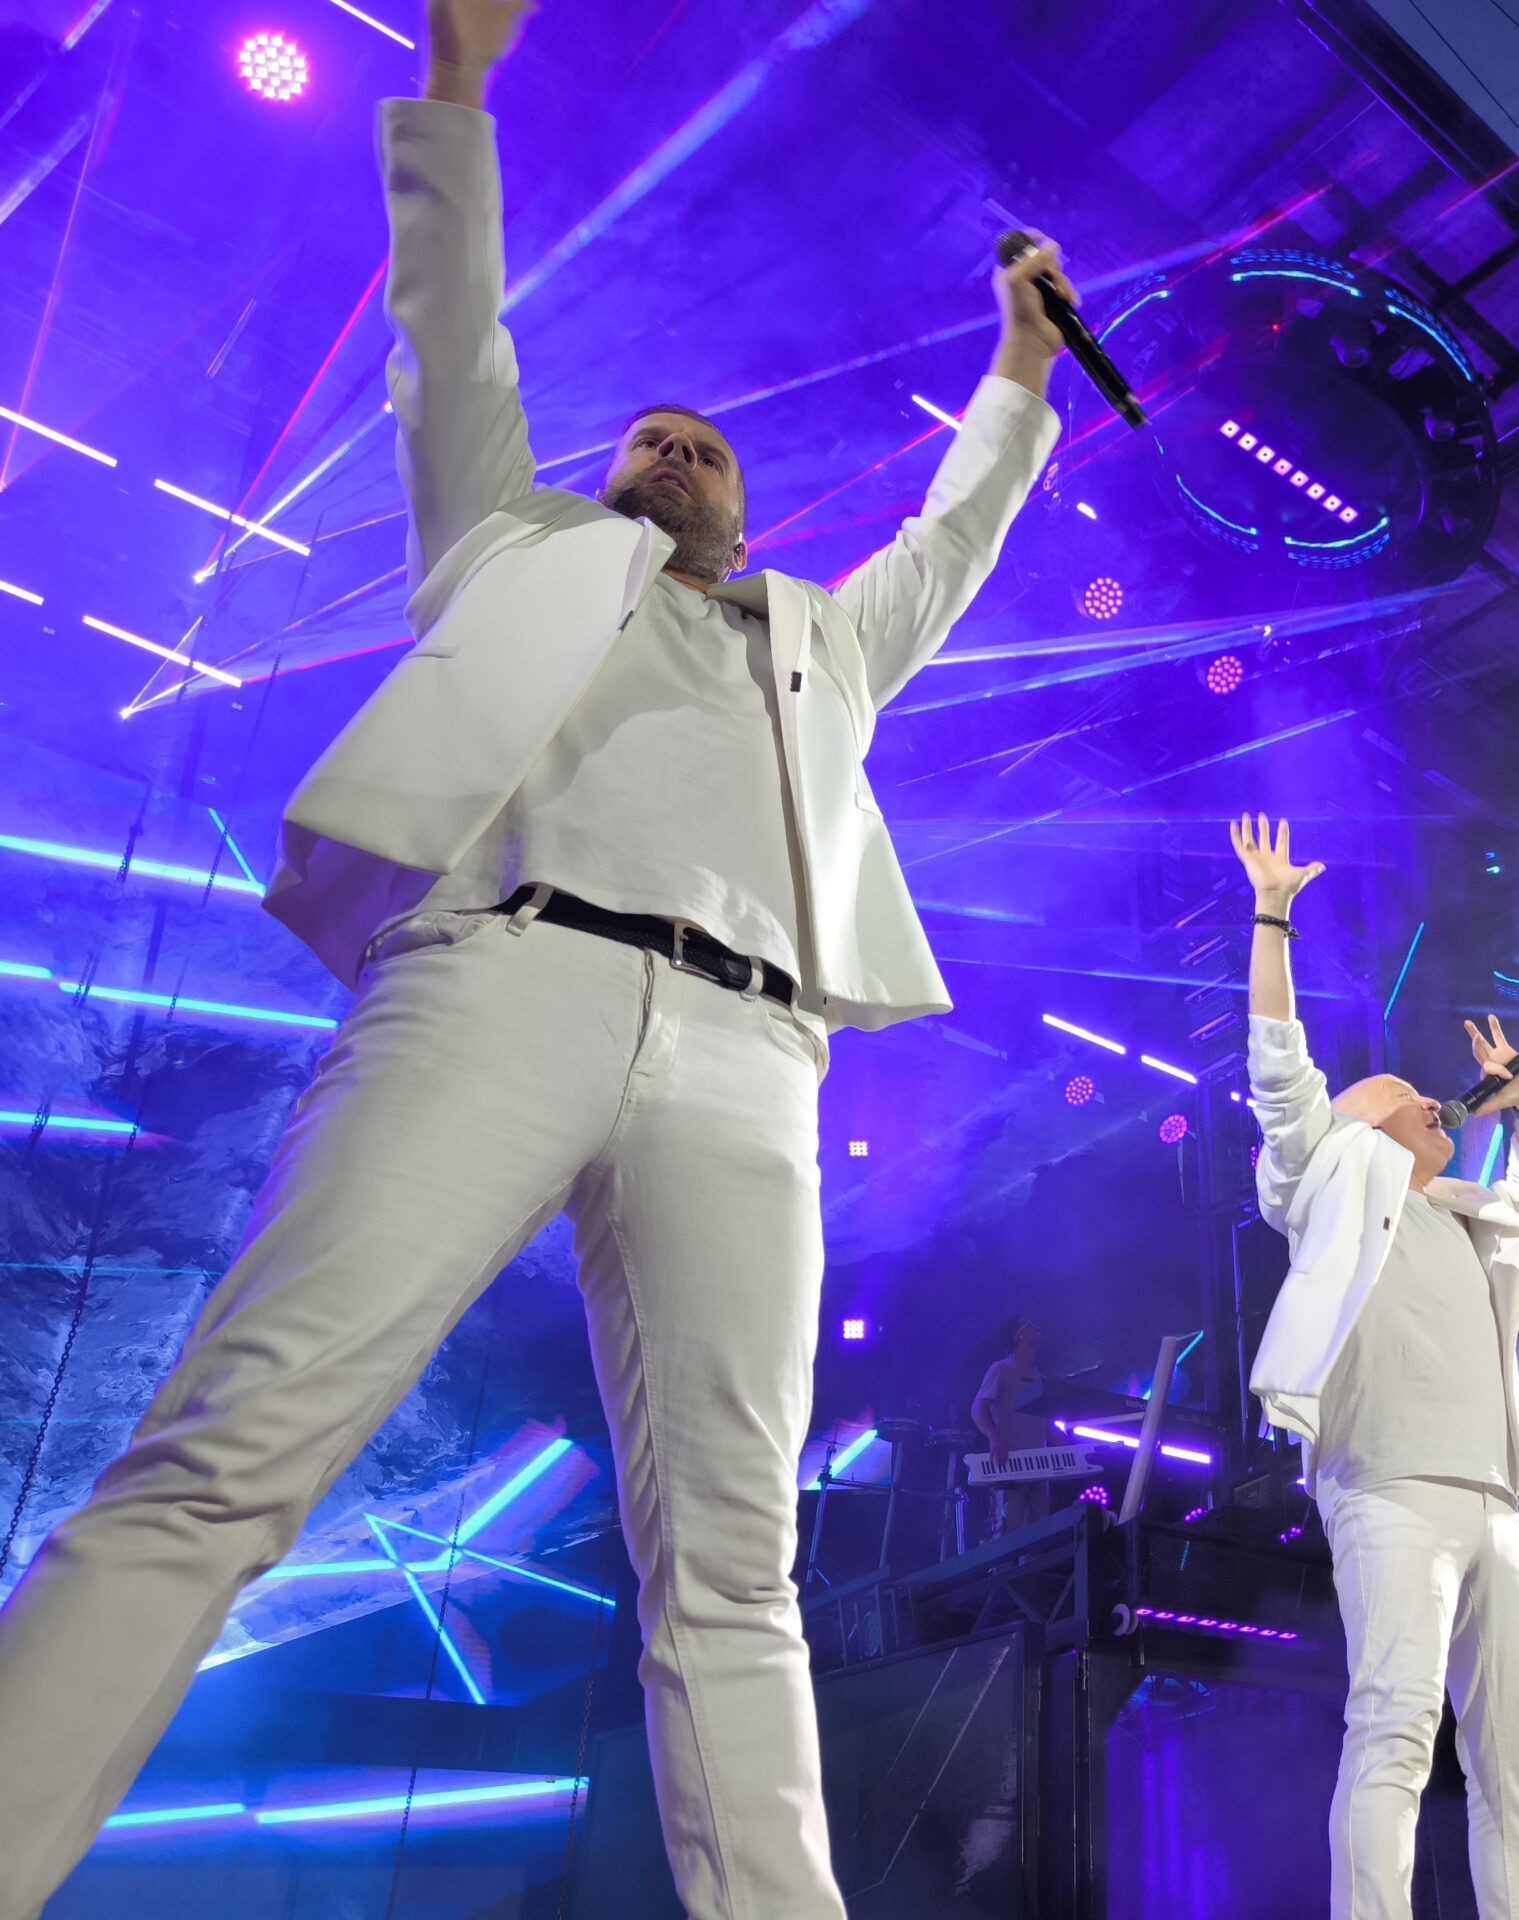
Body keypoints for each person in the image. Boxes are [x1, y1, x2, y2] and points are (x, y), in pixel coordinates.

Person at [0, 0, 1068, 1911]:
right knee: (230, 1452)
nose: (666, 450)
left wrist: (1015, 367)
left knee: (738, 1578)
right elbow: (448, 340)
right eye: (643, 439)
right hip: (499, 979)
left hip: (753, 1061)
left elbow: (959, 532)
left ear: (741, 508)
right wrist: (457, 81)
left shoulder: (826, 644)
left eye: (700, 447)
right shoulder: (505, 548)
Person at [1230, 814, 1519, 1920]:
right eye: (1404, 1093)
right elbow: (1281, 1070)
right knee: (1394, 1727)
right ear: (1352, 1119)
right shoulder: (1322, 1174)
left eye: (1435, 1099)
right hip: (1388, 1486)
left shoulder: (1461, 1212)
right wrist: (1272, 915)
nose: (1431, 1099)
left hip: (1491, 1500)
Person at [970, 1316, 1052, 1539]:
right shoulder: (1001, 1369)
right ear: (1019, 1336)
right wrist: (993, 1435)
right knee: (1007, 1534)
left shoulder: (1041, 1378)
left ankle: (1031, 1575)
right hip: (1010, 1465)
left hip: (1041, 1468)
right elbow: (978, 1407)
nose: (1037, 1326)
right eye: (1030, 1325)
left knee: (1038, 1537)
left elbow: (1046, 1422)